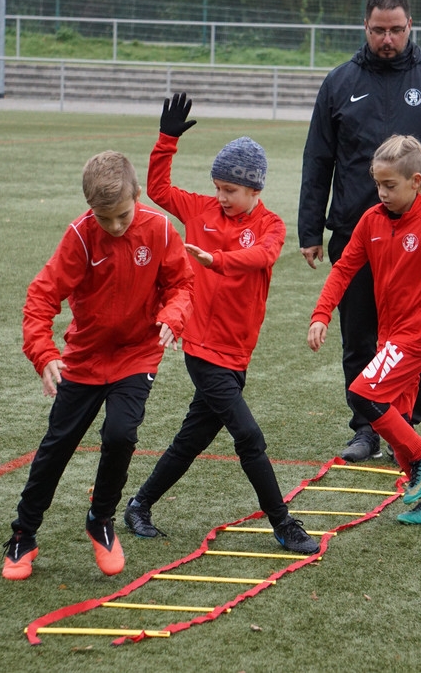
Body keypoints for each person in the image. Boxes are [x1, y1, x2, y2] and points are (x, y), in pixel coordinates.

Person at [121, 93, 320, 555]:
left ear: (254, 190)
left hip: (236, 353)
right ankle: (284, 524)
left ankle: (139, 504)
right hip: (202, 349)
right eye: (217, 187)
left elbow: (263, 256)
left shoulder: (271, 225)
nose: (220, 197)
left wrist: (219, 260)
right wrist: (166, 140)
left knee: (191, 439)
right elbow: (158, 189)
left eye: (230, 190)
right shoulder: (199, 211)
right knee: (248, 436)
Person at [298, 0, 421, 463]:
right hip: (357, 234)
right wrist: (310, 229)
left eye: (396, 29)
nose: (388, 39)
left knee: (411, 338)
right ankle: (365, 428)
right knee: (359, 339)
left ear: (410, 25)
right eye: (379, 30)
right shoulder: (340, 82)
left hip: (418, 239)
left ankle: (405, 425)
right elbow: (317, 159)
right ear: (365, 26)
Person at [2, 150, 195, 580]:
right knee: (57, 448)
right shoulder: (80, 235)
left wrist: (173, 315)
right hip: (85, 359)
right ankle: (23, 535)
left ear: (137, 195)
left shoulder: (160, 229)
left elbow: (182, 284)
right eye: (104, 218)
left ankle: (101, 519)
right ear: (90, 209)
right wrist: (44, 354)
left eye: (122, 215)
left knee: (121, 434)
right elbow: (41, 298)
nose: (115, 226)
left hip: (136, 355)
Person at [307, 134, 421, 525]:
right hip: (389, 338)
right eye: (377, 184)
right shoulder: (371, 220)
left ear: (416, 182)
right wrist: (322, 314)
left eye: (390, 185)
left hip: (417, 338)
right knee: (396, 424)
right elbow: (343, 269)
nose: (381, 192)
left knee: (362, 393)